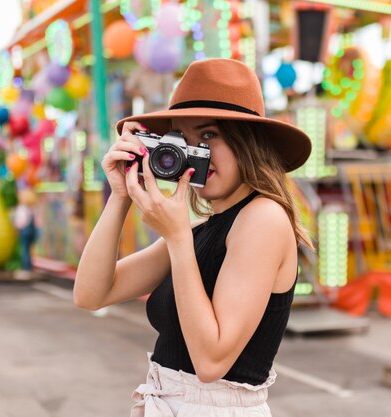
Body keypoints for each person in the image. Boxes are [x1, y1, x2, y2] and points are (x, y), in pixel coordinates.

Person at [73, 58, 313, 417]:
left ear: (248, 140)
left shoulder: (262, 217)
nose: (196, 152)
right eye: (182, 140)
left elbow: (211, 361)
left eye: (209, 135)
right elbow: (91, 294)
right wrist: (121, 195)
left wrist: (177, 237)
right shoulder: (204, 227)